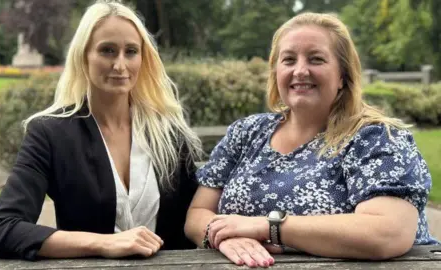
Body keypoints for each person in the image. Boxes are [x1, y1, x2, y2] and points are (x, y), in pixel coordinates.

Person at [184, 12, 439, 268]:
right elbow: (197, 215)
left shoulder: (377, 138)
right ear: (276, 72)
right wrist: (223, 238)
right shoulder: (246, 133)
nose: (300, 70)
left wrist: (268, 227)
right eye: (289, 60)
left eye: (316, 59)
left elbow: (388, 233)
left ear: (342, 76)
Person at [0, 0, 202, 261]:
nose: (120, 65)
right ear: (83, 56)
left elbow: (196, 218)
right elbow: (1, 229)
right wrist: (103, 243)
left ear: (143, 58)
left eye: (131, 51)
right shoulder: (50, 134)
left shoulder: (169, 134)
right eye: (107, 50)